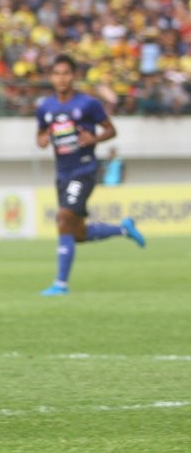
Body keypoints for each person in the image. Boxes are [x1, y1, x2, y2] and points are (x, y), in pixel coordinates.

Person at [35, 54, 145, 296]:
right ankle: (124, 229)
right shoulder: (45, 107)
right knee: (78, 233)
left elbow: (111, 130)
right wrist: (42, 140)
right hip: (62, 173)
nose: (61, 78)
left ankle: (60, 284)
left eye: (65, 73)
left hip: (84, 169)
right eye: (57, 74)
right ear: (51, 77)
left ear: (73, 76)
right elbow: (41, 134)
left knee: (63, 218)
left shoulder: (88, 104)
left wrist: (93, 139)